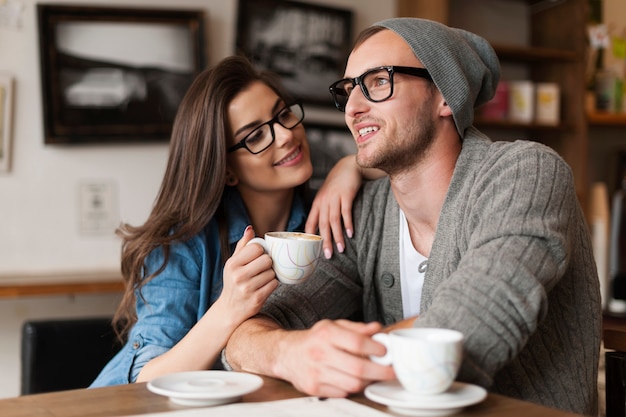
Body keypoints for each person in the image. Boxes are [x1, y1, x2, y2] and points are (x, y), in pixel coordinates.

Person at [223, 18, 601, 416]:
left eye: (379, 81)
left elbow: (468, 327)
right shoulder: (366, 212)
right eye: (348, 90)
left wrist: (326, 356)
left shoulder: (526, 173)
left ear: (444, 95)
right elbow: (247, 334)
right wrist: (288, 352)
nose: (353, 108)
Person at [90, 55, 361, 386]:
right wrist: (230, 307)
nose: (285, 136)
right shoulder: (183, 244)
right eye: (256, 136)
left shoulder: (326, 214)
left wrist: (352, 165)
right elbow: (145, 380)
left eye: (283, 114)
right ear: (227, 169)